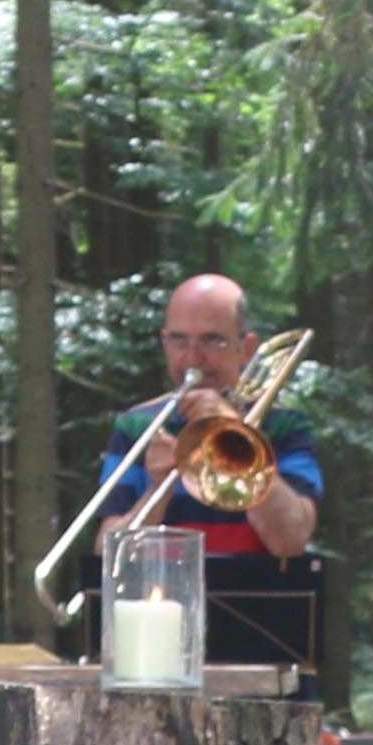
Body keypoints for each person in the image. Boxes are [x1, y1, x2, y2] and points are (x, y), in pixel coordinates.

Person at [84, 271, 327, 668]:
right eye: (179, 340)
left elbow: (291, 540)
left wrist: (236, 433)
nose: (193, 358)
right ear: (164, 343)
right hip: (156, 656)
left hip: (264, 655)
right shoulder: (136, 426)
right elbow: (106, 552)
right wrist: (156, 490)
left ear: (246, 349)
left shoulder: (286, 427)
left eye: (212, 340)